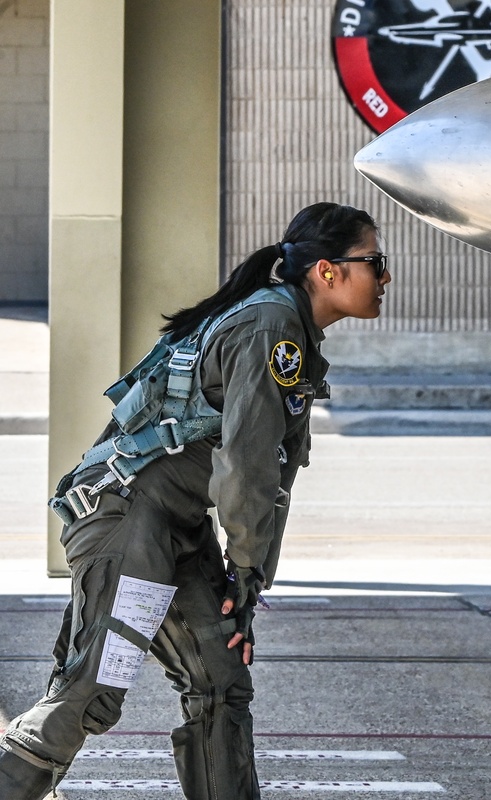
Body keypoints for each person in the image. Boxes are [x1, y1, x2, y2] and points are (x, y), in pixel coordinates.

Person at [0, 202, 390, 800]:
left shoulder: (287, 330)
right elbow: (248, 469)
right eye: (375, 262)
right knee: (92, 691)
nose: (385, 277)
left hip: (170, 526)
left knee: (220, 678)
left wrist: (248, 582)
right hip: (128, 520)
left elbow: (270, 478)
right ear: (328, 272)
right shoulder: (272, 329)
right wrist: (248, 568)